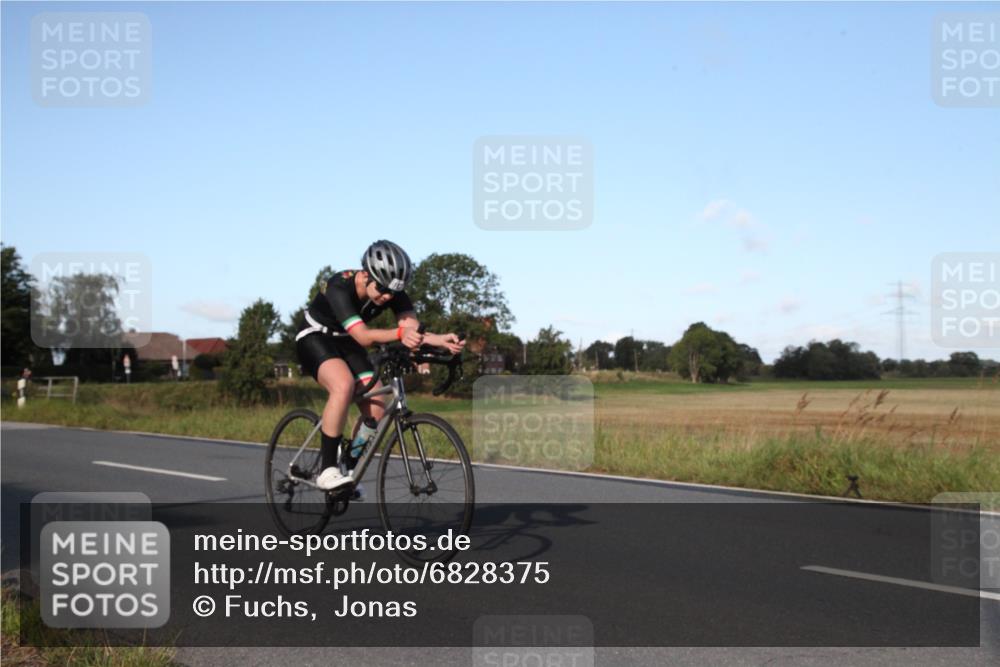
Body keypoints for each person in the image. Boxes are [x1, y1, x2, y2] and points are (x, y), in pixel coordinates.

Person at [295, 240, 465, 491]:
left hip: (347, 341)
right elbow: (365, 336)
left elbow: (412, 330)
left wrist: (440, 341)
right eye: (383, 289)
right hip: (315, 337)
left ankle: (347, 469)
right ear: (366, 275)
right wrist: (400, 335)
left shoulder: (394, 292)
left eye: (393, 293)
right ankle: (327, 470)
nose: (387, 297)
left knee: (376, 409)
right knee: (343, 385)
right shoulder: (338, 286)